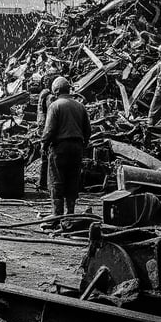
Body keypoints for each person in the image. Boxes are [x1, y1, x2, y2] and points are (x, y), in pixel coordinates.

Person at [40, 76, 91, 217]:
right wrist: (83, 145)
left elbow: (49, 130)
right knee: (72, 180)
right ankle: (70, 215)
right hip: (77, 147)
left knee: (56, 180)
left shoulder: (55, 106)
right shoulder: (80, 106)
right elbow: (88, 130)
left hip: (59, 148)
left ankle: (58, 216)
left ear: (55, 91)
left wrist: (43, 145)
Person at [35, 72, 56, 191]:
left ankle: (42, 181)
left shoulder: (43, 93)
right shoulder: (49, 97)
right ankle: (45, 182)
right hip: (46, 127)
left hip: (41, 126)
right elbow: (52, 113)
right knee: (48, 156)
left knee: (44, 155)